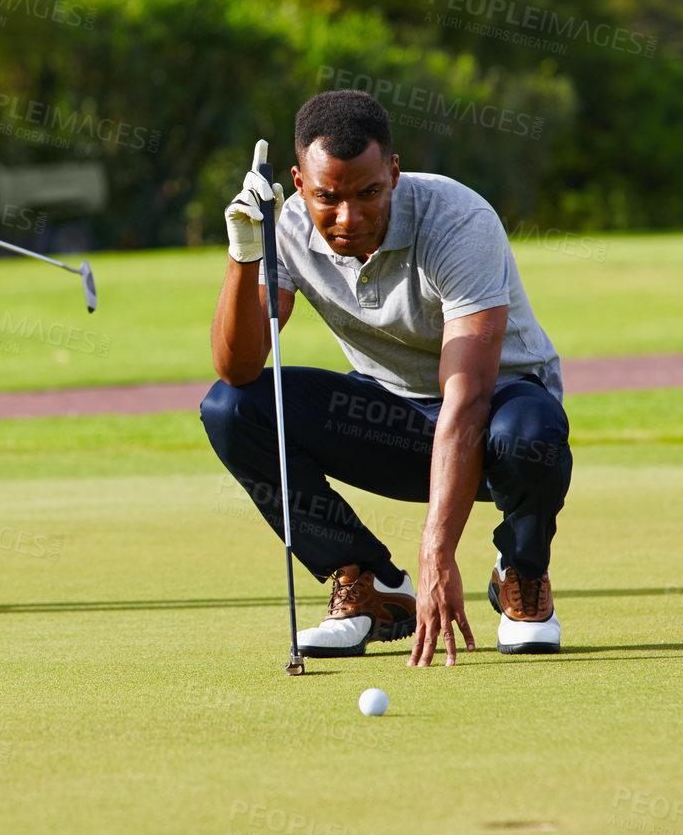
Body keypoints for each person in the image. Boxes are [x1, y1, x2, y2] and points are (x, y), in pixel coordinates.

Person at [201, 91, 572, 665]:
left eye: (368, 192)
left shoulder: (458, 220)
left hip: (498, 417)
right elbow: (241, 368)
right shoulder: (287, 224)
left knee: (529, 436)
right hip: (390, 417)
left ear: (393, 173)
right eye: (328, 197)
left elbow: (468, 397)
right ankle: (367, 583)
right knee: (232, 407)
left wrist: (437, 549)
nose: (347, 218)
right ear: (299, 182)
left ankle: (521, 572)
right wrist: (243, 254)